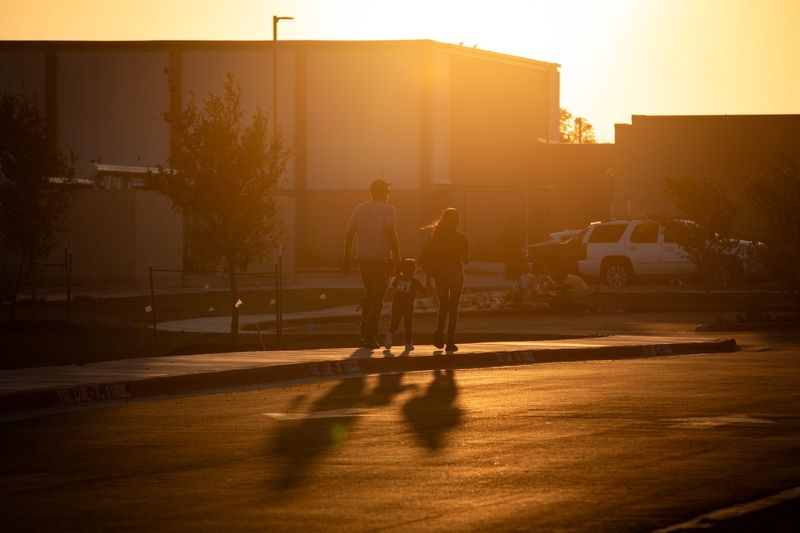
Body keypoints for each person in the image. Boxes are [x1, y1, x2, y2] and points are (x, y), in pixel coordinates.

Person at [344, 179, 400, 349]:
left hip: (364, 262)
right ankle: (369, 336)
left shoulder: (360, 209)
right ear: (383, 192)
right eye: (387, 191)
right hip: (381, 262)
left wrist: (347, 257)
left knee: (369, 297)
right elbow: (391, 233)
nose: (388, 194)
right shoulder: (389, 210)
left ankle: (364, 334)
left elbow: (350, 233)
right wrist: (398, 257)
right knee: (377, 300)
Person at [423, 207, 469, 352]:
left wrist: (428, 278)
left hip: (441, 272)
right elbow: (466, 260)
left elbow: (429, 257)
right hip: (455, 272)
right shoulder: (461, 238)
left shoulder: (436, 237)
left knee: (443, 305)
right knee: (453, 307)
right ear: (457, 222)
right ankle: (450, 340)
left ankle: (438, 334)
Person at [384, 258, 426, 352]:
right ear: (413, 270)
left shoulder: (398, 279)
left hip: (396, 305)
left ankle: (390, 335)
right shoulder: (415, 281)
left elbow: (395, 286)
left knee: (394, 323)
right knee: (408, 325)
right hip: (408, 306)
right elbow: (423, 291)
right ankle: (408, 344)